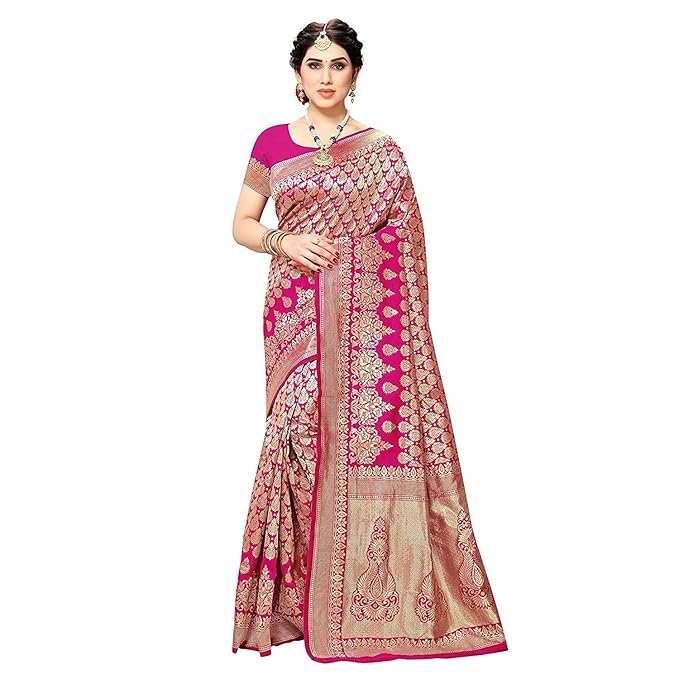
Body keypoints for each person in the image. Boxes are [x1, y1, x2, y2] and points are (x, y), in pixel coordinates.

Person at [230, 18, 508, 663]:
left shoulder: (382, 150)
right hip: (294, 312)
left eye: (338, 65)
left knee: (356, 443)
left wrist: (358, 272)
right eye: (314, 64)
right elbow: (241, 223)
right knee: (298, 436)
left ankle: (356, 606)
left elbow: (405, 241)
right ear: (297, 74)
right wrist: (284, 241)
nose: (326, 76)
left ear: (355, 73)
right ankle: (294, 604)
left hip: (370, 328)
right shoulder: (271, 143)